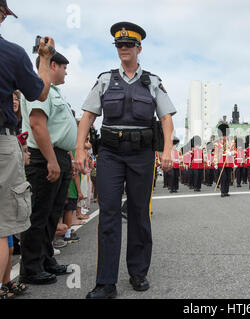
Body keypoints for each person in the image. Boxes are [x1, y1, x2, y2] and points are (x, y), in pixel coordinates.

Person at [74, 22, 176, 299]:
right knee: (108, 215)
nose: (124, 49)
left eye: (129, 45)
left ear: (139, 48)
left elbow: (166, 118)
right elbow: (87, 116)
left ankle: (138, 272)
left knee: (139, 212)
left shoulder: (152, 82)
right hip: (111, 154)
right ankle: (106, 282)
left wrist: (167, 150)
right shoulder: (106, 80)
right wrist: (80, 149)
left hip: (142, 155)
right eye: (119, 45)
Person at [0, 0, 56, 299]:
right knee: (5, 221)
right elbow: (40, 91)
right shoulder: (11, 53)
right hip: (1, 142)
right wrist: (44, 58)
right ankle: (2, 285)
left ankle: (7, 283)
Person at [19, 51, 77, 285]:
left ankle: (45, 259)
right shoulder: (38, 88)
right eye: (64, 67)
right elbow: (37, 125)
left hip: (58, 155)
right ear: (53, 65)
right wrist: (52, 159)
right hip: (45, 157)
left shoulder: (54, 92)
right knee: (39, 213)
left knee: (52, 213)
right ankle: (31, 268)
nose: (66, 72)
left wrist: (64, 160)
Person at [214, 124, 235, 197]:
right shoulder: (217, 144)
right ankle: (222, 191)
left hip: (228, 162)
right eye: (223, 135)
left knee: (228, 177)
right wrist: (215, 163)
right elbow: (216, 153)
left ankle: (226, 191)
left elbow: (235, 152)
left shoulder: (231, 143)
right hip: (221, 162)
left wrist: (231, 153)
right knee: (223, 177)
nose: (224, 137)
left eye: (225, 135)